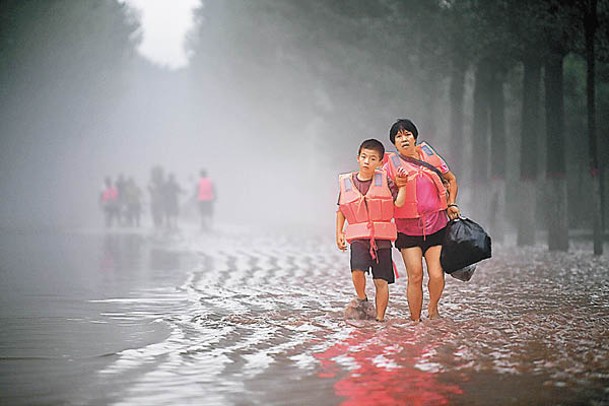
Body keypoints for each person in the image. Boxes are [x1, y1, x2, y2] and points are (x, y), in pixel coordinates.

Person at [384, 119, 460, 322]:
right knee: (415, 275)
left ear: (415, 137)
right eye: (398, 137)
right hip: (408, 230)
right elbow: (385, 200)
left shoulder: (431, 158)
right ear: (395, 144)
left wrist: (451, 203)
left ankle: (433, 309)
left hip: (436, 226)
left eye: (407, 134)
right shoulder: (389, 168)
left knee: (436, 275)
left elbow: (451, 180)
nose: (404, 139)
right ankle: (415, 321)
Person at [336, 139, 406, 322]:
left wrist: (403, 187)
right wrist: (339, 233)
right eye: (364, 157)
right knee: (357, 270)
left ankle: (380, 319)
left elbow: (398, 203)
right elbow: (342, 209)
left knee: (381, 281)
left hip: (381, 238)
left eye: (372, 158)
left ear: (380, 162)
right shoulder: (347, 183)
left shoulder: (386, 182)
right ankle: (362, 298)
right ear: (358, 158)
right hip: (359, 236)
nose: (367, 161)